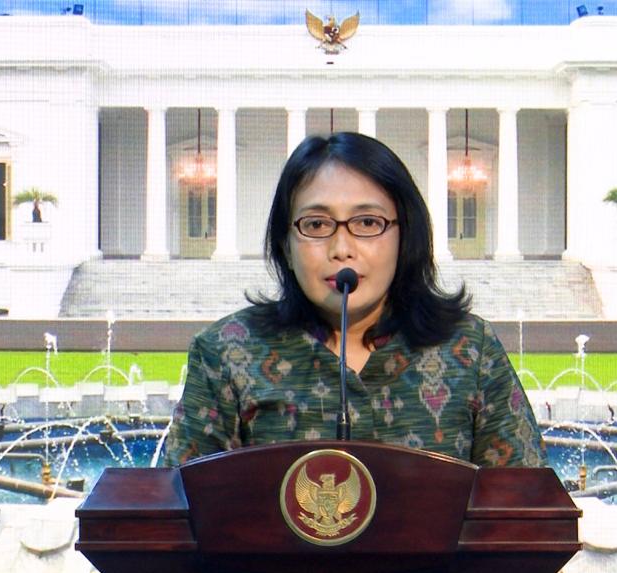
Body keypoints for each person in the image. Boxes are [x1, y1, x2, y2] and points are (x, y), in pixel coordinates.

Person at [164, 132, 546, 468]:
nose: (341, 249)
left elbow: (525, 502)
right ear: (285, 244)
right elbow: (176, 505)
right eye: (316, 225)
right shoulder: (225, 352)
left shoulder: (470, 348)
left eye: (367, 223)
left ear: (404, 236)